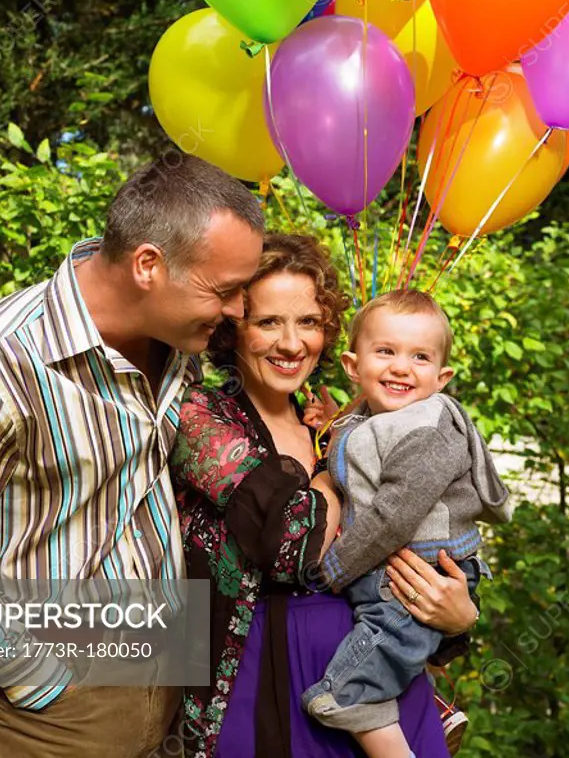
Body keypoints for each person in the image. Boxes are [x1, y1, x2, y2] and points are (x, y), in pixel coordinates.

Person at [0, 153, 265, 758]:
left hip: (168, 684)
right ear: (149, 264)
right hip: (52, 719)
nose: (238, 311)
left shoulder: (176, 341)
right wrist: (42, 683)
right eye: (226, 290)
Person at [170, 233, 481, 758]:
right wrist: (340, 463)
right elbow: (296, 547)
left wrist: (458, 618)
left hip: (369, 683)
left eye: (309, 323)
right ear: (232, 328)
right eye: (268, 321)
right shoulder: (204, 418)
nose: (292, 344)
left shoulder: (337, 422)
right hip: (262, 674)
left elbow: (421, 539)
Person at [301, 290, 511, 758]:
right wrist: (329, 420)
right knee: (384, 648)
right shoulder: (376, 416)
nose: (401, 367)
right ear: (354, 367)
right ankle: (432, 706)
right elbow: (361, 443)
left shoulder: (427, 427)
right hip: (396, 571)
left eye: (420, 357)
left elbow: (393, 514)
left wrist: (334, 568)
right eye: (386, 352)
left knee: (357, 683)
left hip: (422, 568)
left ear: (443, 377)